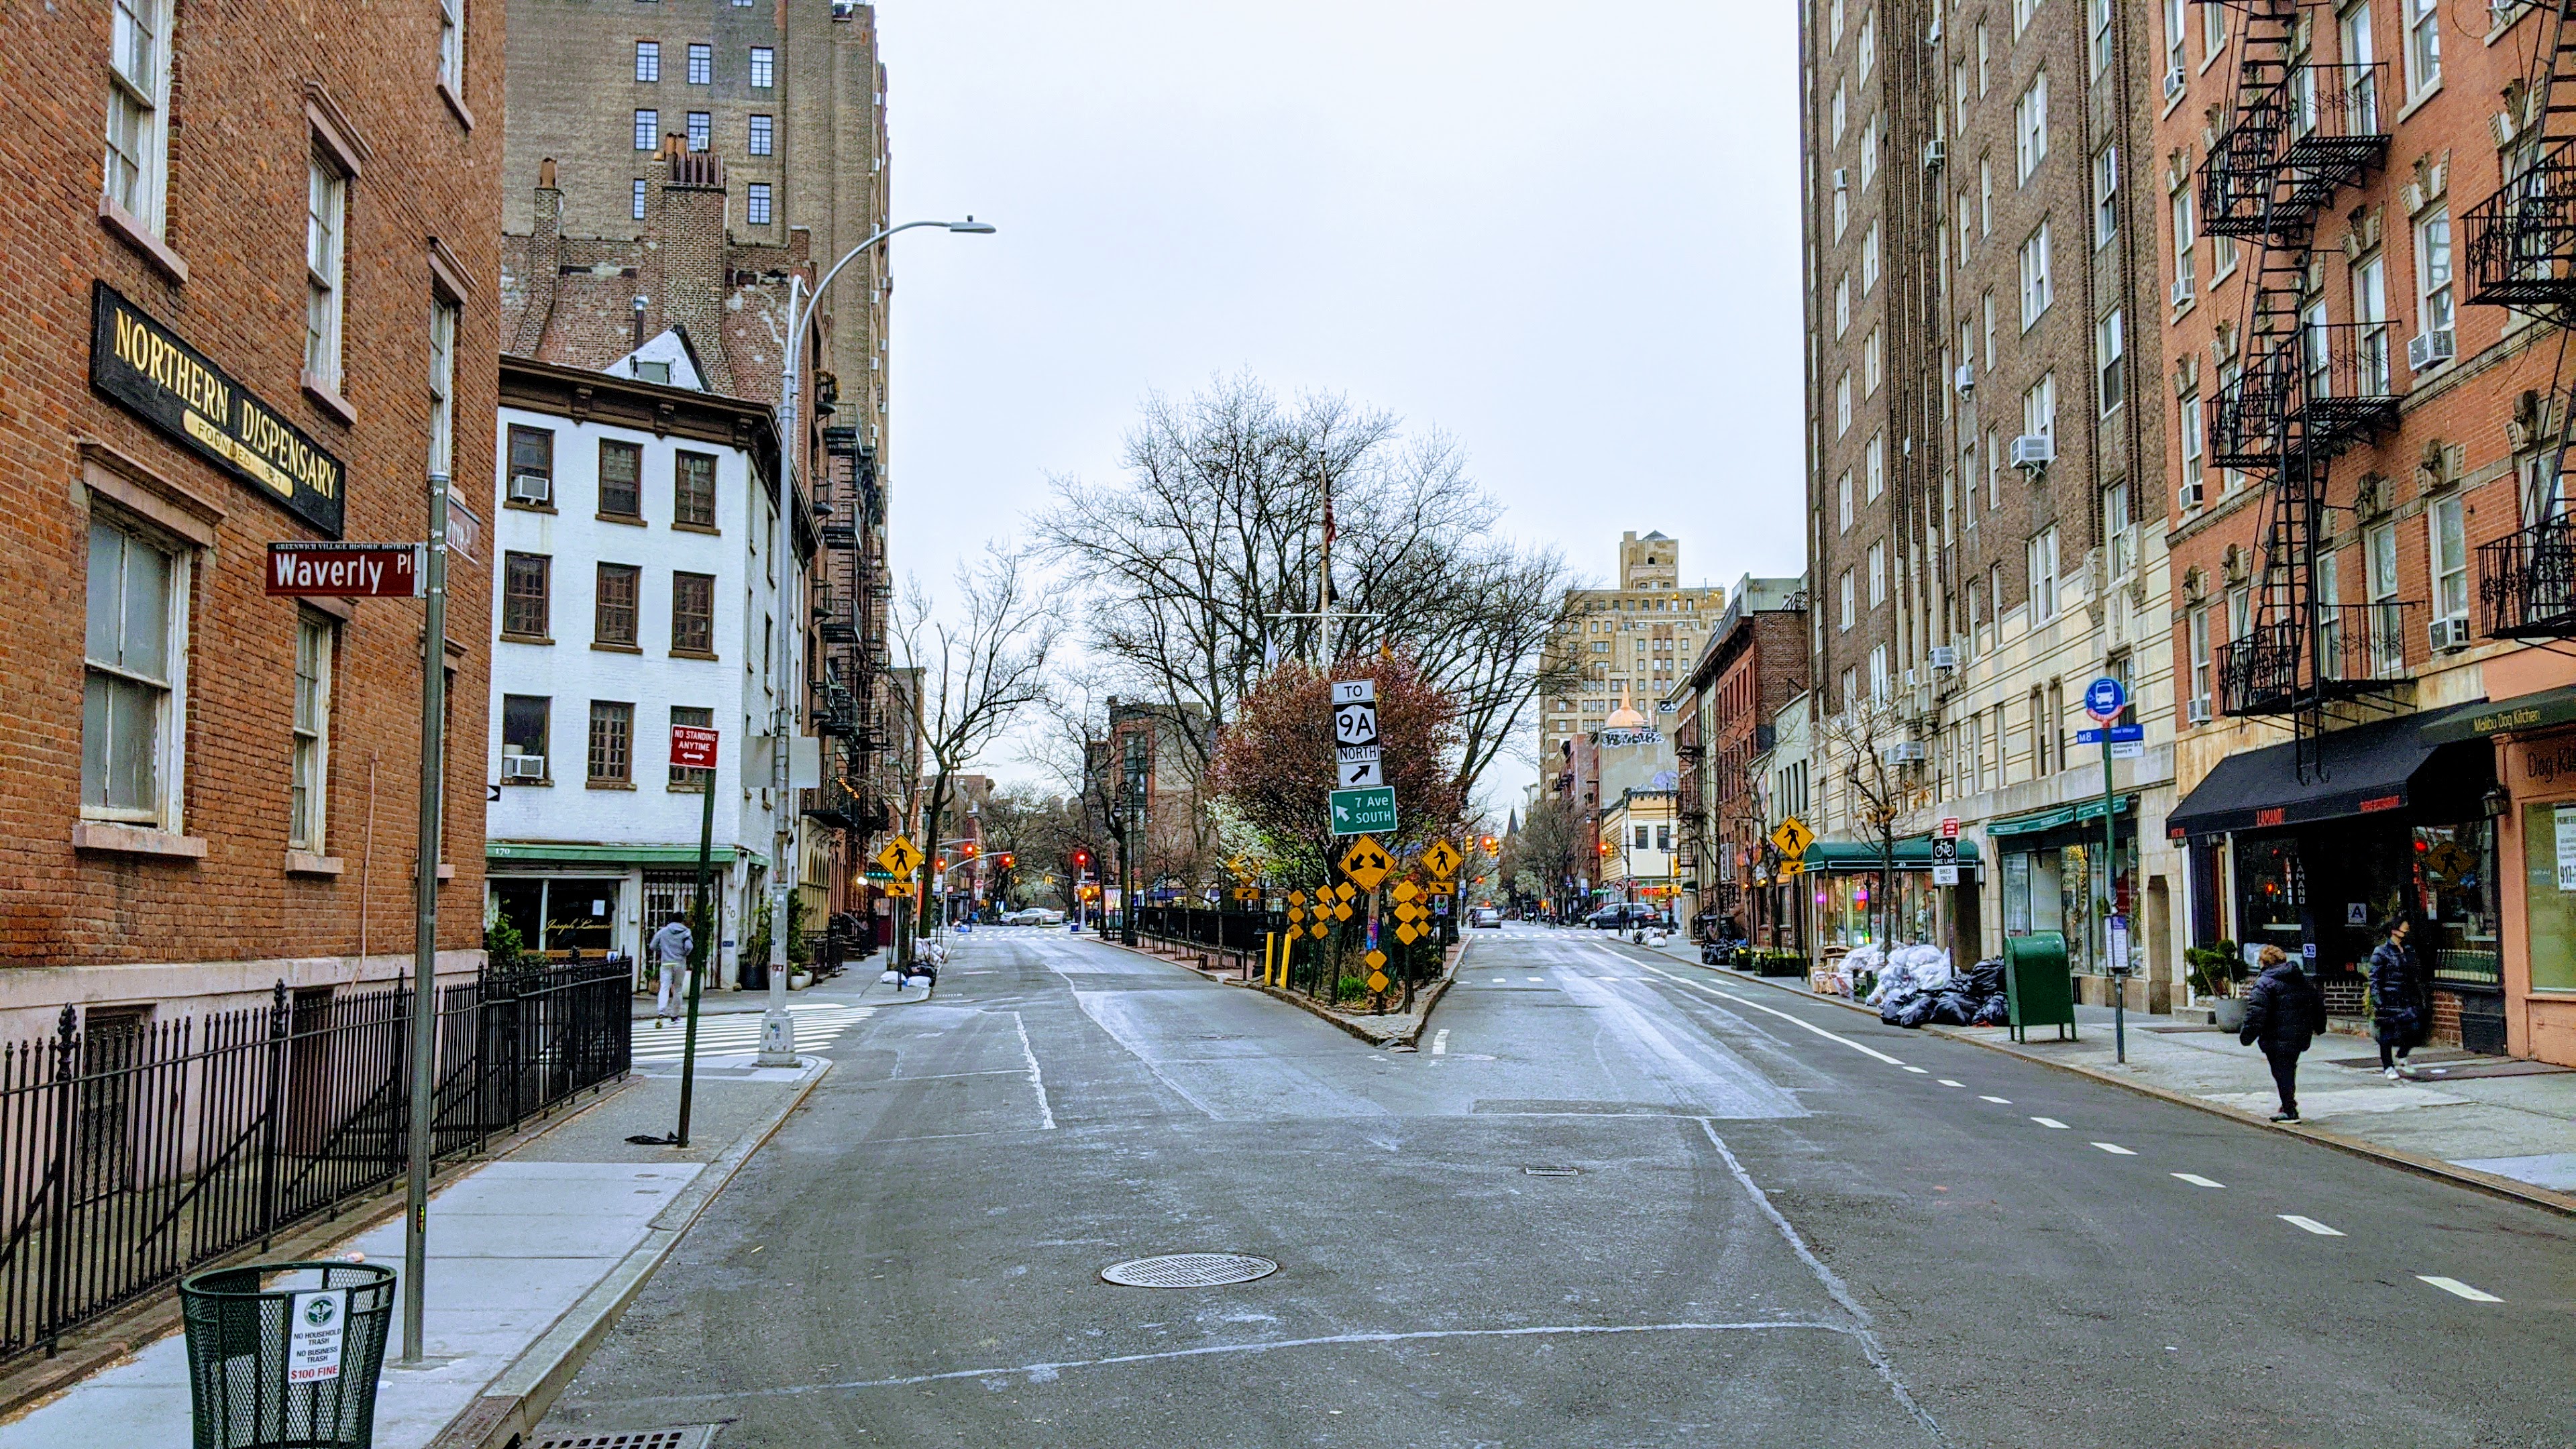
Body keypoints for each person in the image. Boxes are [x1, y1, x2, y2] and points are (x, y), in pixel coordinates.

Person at [2239, 944, 2326, 1123]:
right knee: (2288, 1068)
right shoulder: (2300, 979)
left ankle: (2289, 1109)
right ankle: (2288, 1103)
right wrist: (2319, 1027)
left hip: (2275, 1036)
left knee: (2281, 1071)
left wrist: (2247, 1036)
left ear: (2264, 962)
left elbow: (2256, 1012)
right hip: (2299, 1035)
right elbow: (2317, 1004)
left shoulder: (2264, 983)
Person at [2369, 918, 2426, 1079]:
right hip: (2389, 998)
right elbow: (2374, 979)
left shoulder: (2408, 950)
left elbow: (2415, 974)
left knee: (2416, 1028)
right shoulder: (2381, 952)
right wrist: (2378, 1000)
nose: (2407, 931)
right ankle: (2388, 1067)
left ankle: (2402, 1055)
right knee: (2387, 1034)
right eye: (2404, 928)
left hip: (2407, 997)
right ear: (2394, 931)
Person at [647, 914, 694, 1028]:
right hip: (679, 963)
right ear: (682, 921)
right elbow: (689, 947)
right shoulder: (686, 932)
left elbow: (653, 946)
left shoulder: (663, 932)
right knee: (678, 988)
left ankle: (661, 1012)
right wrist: (683, 954)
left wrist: (663, 949)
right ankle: (675, 1014)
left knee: (664, 987)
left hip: (666, 963)